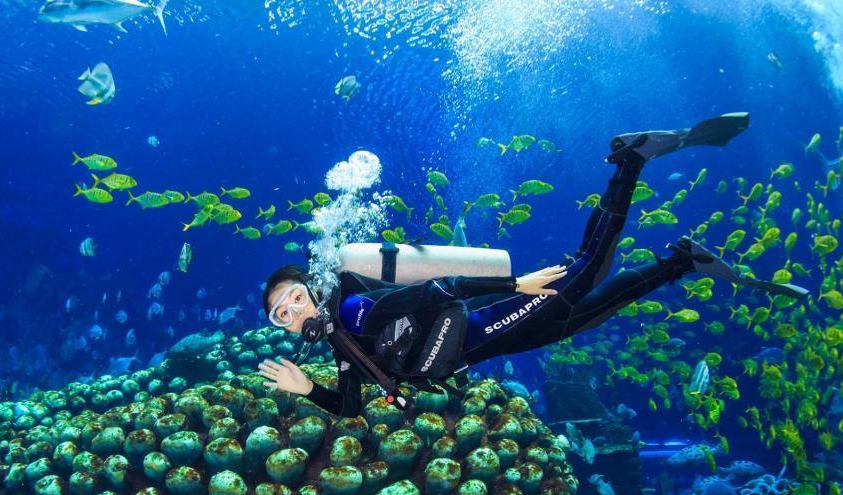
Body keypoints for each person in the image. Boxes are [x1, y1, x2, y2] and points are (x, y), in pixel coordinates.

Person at [258, 112, 808, 416]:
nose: (291, 312)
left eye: (294, 298)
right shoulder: (341, 341)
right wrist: (308, 391)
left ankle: (630, 162)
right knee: (578, 318)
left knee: (585, 275)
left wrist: (514, 282)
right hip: (486, 340)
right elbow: (352, 405)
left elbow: (433, 292)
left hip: (482, 323)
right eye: (280, 315)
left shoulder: (352, 310)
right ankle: (679, 261)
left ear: (313, 288)